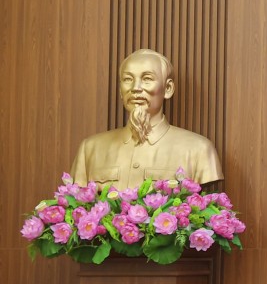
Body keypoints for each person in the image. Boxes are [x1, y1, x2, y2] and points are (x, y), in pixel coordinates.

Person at [71, 48, 223, 190]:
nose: (136, 88)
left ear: (168, 89)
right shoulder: (90, 149)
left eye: (147, 79)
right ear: (120, 90)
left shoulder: (199, 150)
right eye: (128, 79)